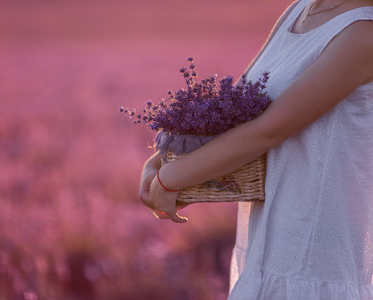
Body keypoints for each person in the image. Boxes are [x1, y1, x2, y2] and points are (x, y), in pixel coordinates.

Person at [138, 0, 373, 298]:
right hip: (265, 244)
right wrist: (160, 160)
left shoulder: (363, 34)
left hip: (316, 256)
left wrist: (170, 179)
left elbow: (269, 130)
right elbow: (235, 112)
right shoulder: (300, 9)